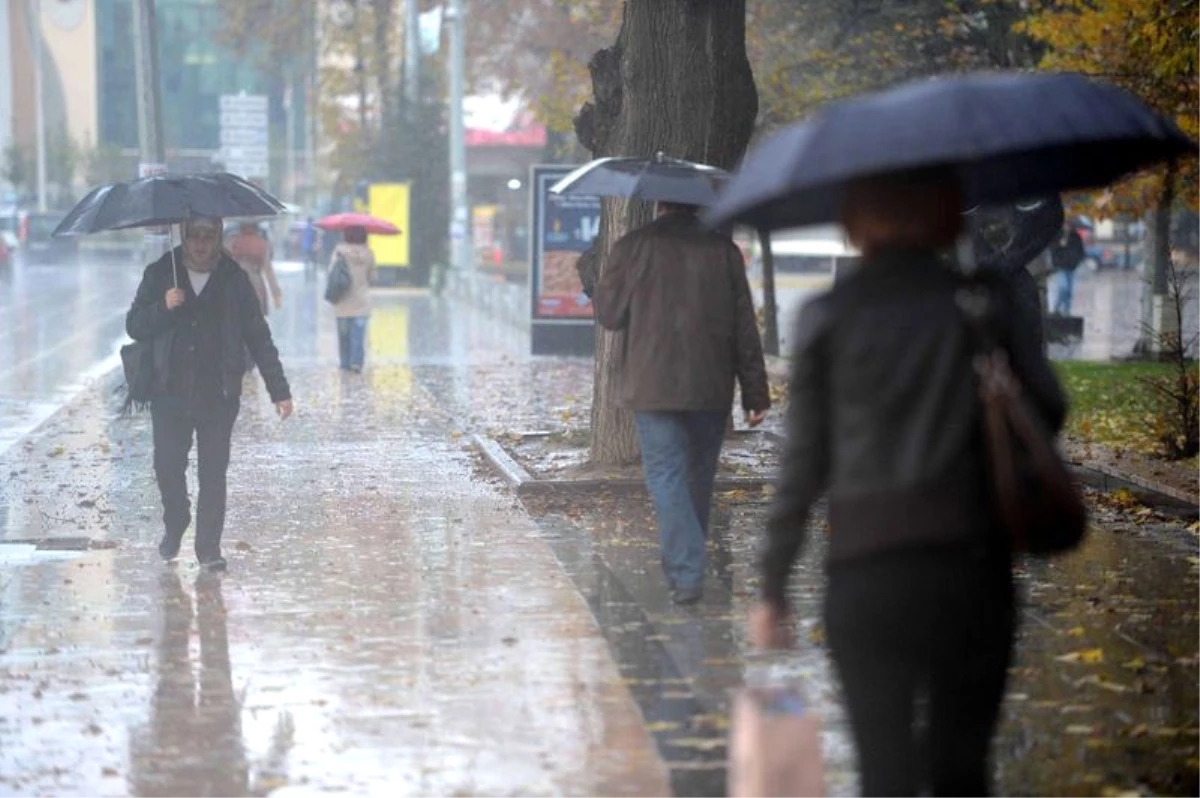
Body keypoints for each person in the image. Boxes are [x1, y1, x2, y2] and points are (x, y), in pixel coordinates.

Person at [749, 169, 1066, 796]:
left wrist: (773, 586)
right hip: (971, 568)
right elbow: (1048, 411)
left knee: (883, 770)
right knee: (961, 768)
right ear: (949, 215)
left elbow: (802, 464)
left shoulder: (828, 316)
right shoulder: (982, 301)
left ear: (856, 219)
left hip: (867, 572)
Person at [594, 201, 770, 605]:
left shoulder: (634, 246)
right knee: (697, 478)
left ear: (658, 204)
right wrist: (755, 392)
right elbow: (745, 324)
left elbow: (610, 315)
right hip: (710, 384)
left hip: (652, 384)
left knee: (666, 475)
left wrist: (599, 277)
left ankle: (687, 571)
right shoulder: (723, 250)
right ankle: (685, 567)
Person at [126, 217, 294, 571]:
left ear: (218, 237)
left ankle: (209, 548)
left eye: (208, 236)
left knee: (213, 473)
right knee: (167, 467)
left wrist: (279, 390)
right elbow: (135, 325)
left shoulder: (234, 279)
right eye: (195, 236)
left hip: (218, 394)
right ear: (184, 237)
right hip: (169, 393)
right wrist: (163, 306)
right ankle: (176, 521)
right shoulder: (161, 273)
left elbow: (258, 336)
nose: (201, 243)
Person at [328, 225, 375, 373]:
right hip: (361, 301)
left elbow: (331, 272)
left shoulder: (339, 252)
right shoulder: (369, 254)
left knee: (344, 336)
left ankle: (345, 363)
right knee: (358, 336)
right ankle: (357, 362)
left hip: (343, 302)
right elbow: (372, 277)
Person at [228, 221, 282, 318]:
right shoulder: (262, 243)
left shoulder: (235, 242)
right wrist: (276, 294)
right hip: (256, 283)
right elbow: (268, 270)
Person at [1049, 220, 1085, 315]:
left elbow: (1081, 251)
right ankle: (1057, 307)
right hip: (1060, 267)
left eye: (1069, 224)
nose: (1067, 226)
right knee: (1063, 287)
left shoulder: (1076, 237)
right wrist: (1060, 245)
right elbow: (1052, 249)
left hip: (1071, 267)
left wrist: (1076, 261)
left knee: (1069, 291)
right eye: (1066, 224)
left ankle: (1067, 311)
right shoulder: (1057, 236)